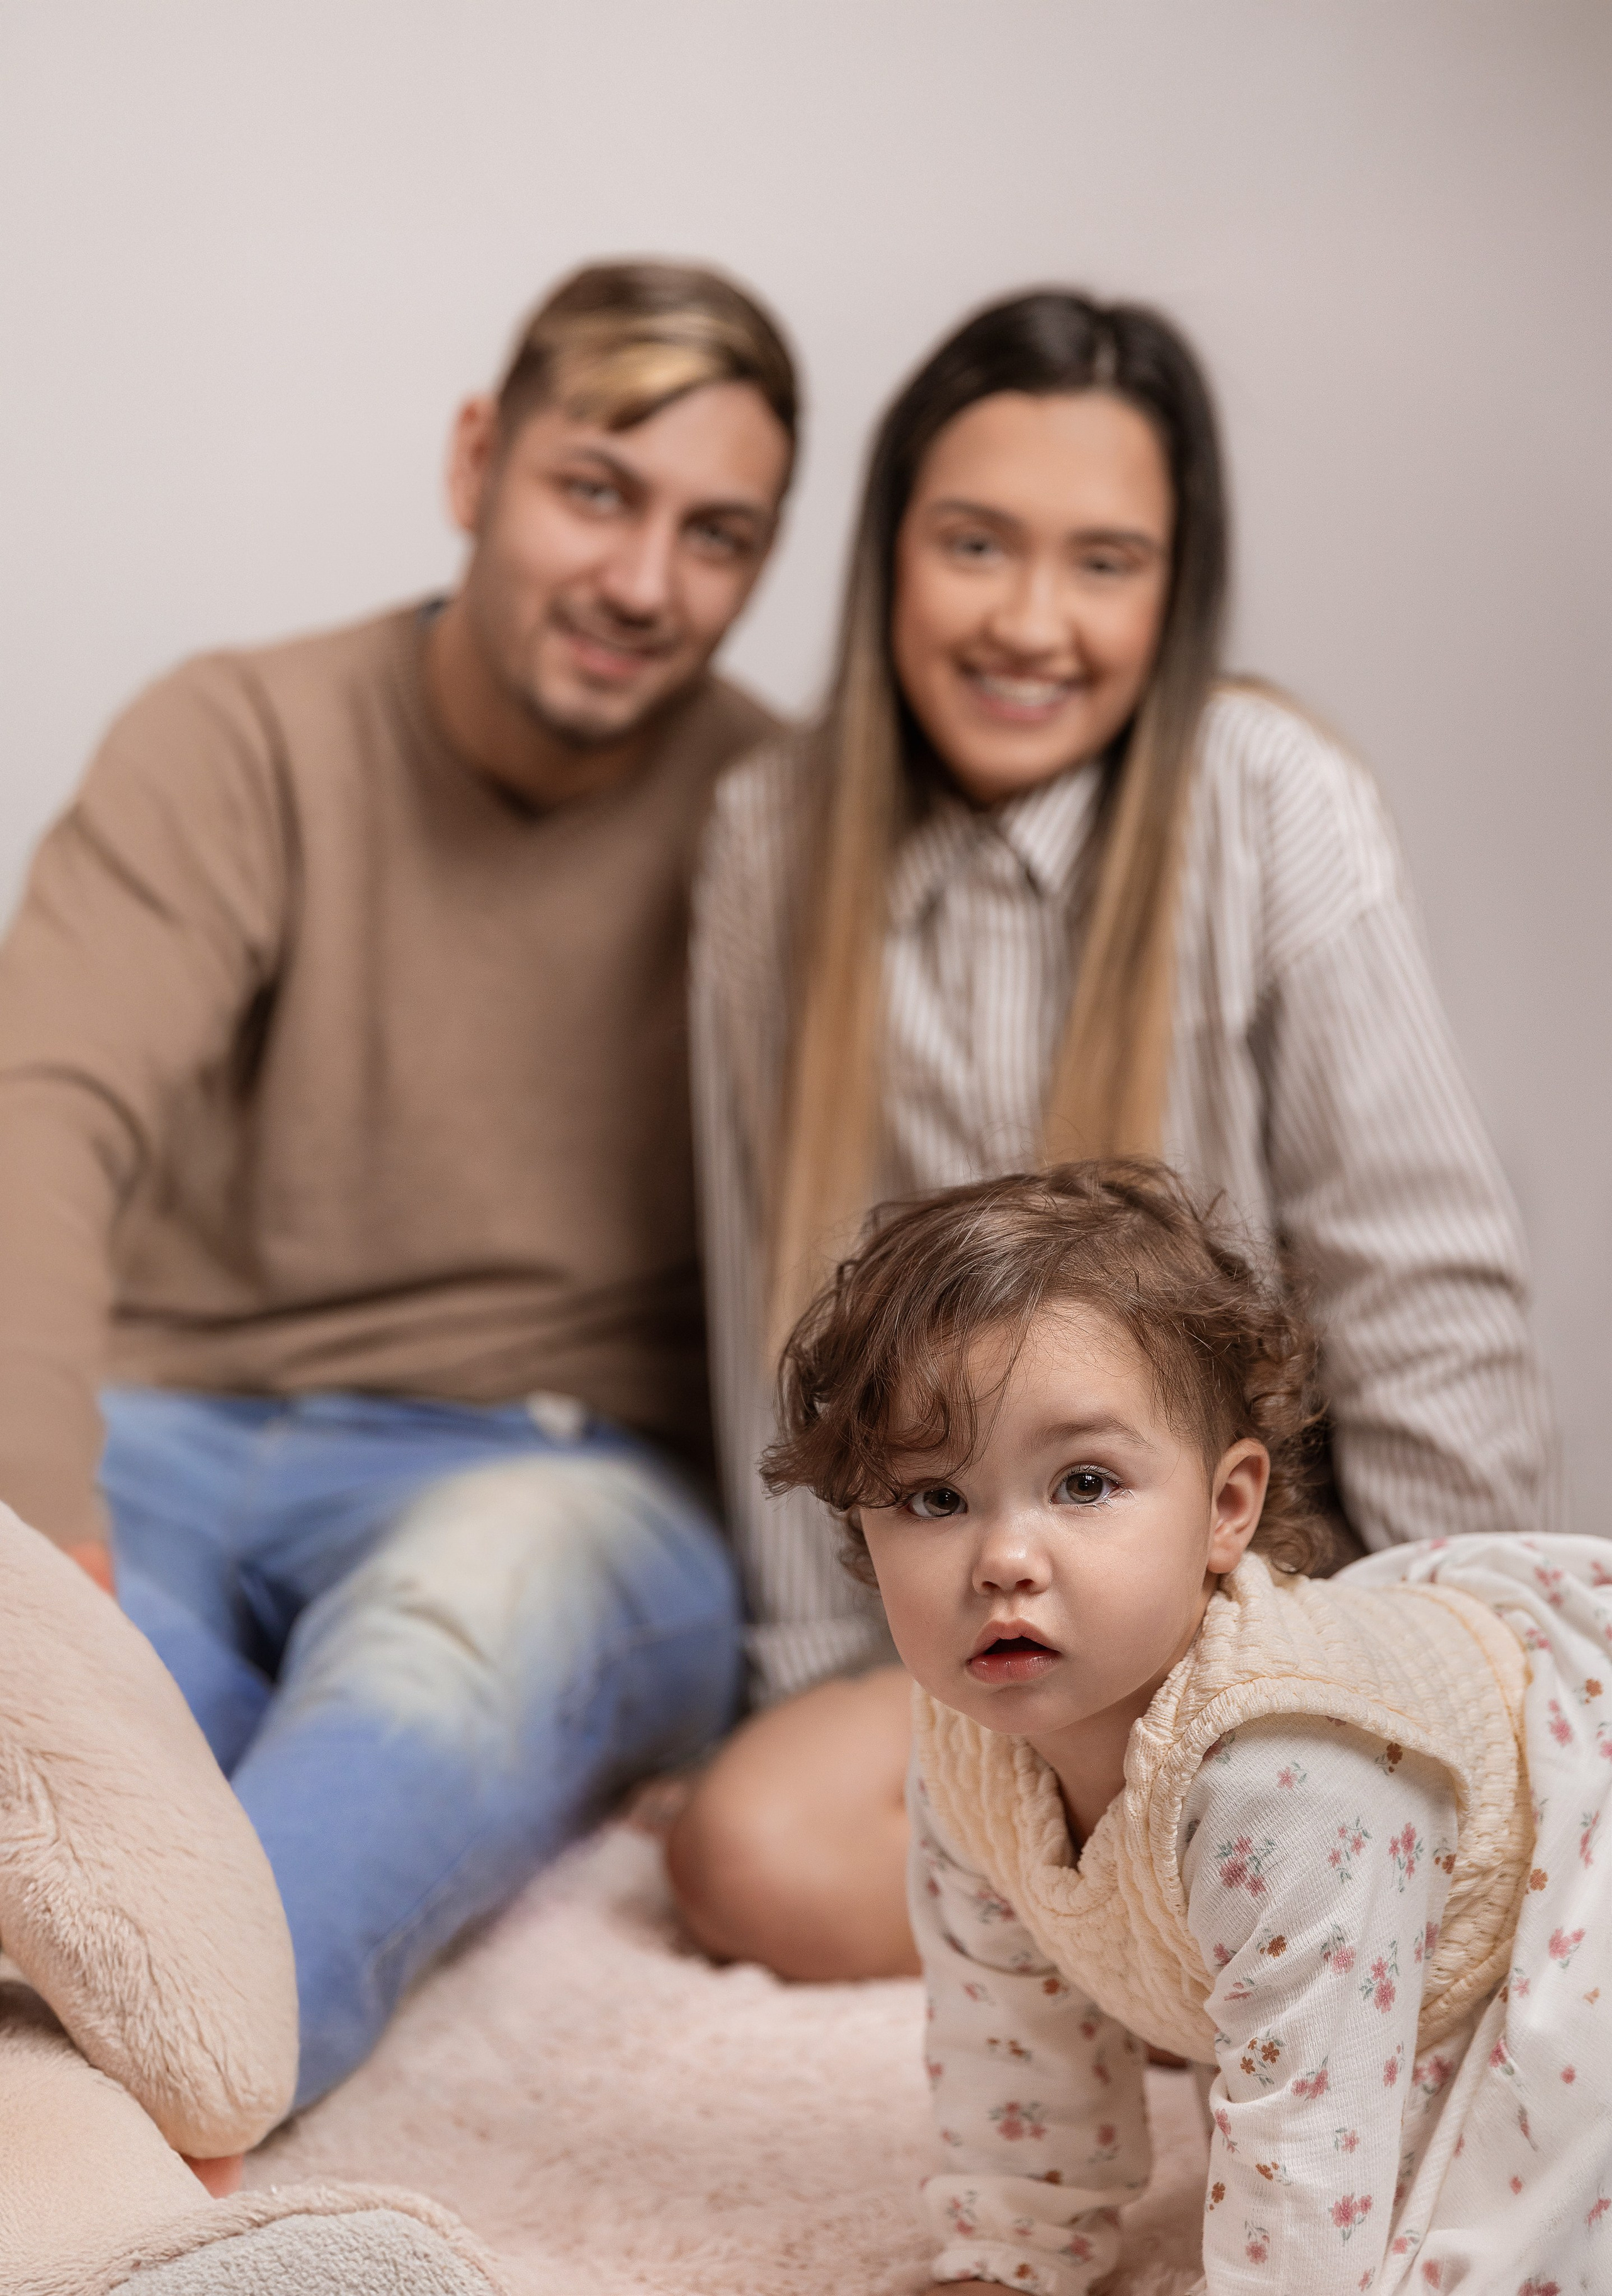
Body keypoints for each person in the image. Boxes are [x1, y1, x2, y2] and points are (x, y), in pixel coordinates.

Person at [669, 288, 1558, 1982]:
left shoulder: (1271, 796)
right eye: (974, 544)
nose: (1030, 620)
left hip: (1257, 1595)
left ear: (1174, 587)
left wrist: (1470, 1657)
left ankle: (1220, 1916)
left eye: (1103, 561)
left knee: (1266, 1815)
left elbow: (1423, 1285)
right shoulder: (770, 834)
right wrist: (804, 1680)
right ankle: (1163, 1938)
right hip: (983, 1597)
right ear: (888, 556)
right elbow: (766, 1291)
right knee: (740, 1854)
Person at [0, 259, 798, 2108]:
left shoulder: (780, 814)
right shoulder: (242, 734)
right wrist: (41, 1521)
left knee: (439, 1662)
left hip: (554, 1466)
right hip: (166, 1426)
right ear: (474, 461)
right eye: (595, 489)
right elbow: (42, 1101)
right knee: (89, 1730)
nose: (643, 581)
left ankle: (144, 2121)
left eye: (717, 535)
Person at [764, 1158, 1605, 2295]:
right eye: (935, 1499)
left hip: (1554, 1871)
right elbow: (1005, 2026)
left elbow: (1313, 2139)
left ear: (1225, 1509)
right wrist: (1013, 2251)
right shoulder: (966, 1743)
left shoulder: (1290, 1778)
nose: (1004, 1559)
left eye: (1084, 1483)